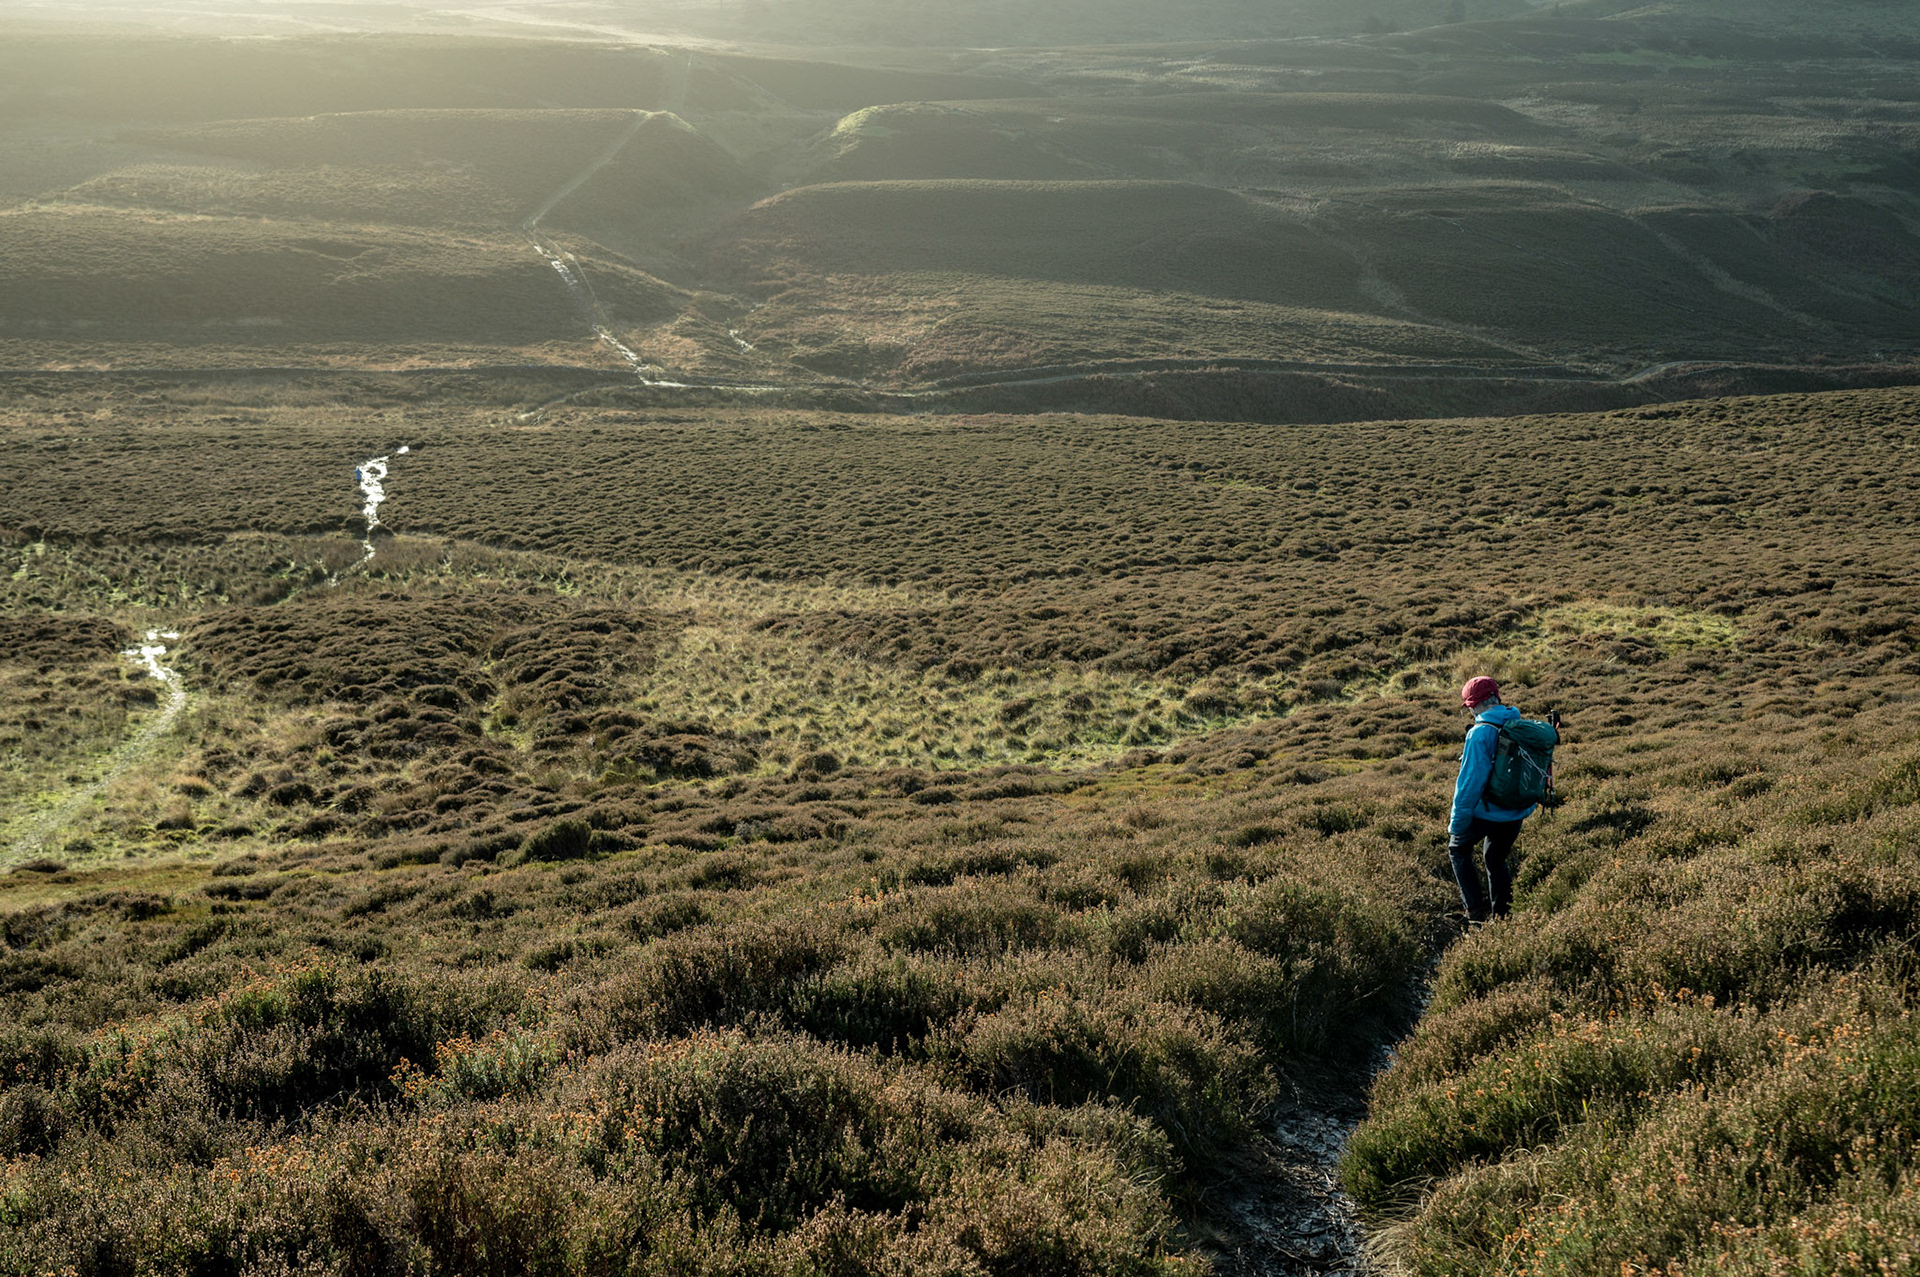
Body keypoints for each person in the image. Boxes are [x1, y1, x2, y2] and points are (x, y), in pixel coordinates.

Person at [1448, 675, 1536, 924]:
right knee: (1495, 859)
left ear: (1478, 703)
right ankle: (1503, 919)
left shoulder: (1480, 733)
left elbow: (1469, 785)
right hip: (1516, 811)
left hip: (1487, 811)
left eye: (1471, 705)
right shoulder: (1518, 724)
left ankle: (1475, 914)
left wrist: (1457, 824)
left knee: (1458, 849)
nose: (1471, 710)